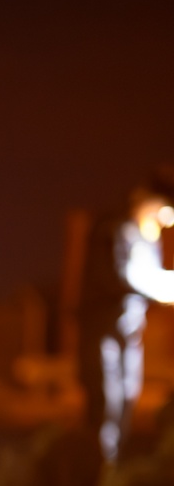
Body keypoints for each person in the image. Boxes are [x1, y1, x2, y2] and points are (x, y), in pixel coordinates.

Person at [77, 170, 174, 463]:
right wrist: (161, 288)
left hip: (130, 334)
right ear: (149, 200)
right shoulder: (114, 229)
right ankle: (96, 479)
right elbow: (121, 276)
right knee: (105, 406)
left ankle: (111, 474)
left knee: (126, 402)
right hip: (102, 332)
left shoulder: (149, 237)